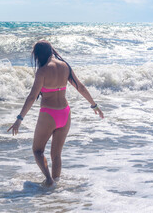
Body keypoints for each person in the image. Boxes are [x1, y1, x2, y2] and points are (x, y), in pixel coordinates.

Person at [7, 40, 104, 187]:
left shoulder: (43, 71)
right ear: (51, 50)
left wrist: (19, 119)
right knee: (56, 155)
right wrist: (94, 105)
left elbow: (32, 97)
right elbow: (81, 87)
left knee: (37, 150)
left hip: (49, 114)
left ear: (38, 55)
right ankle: (56, 189)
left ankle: (49, 180)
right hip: (65, 113)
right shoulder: (65, 66)